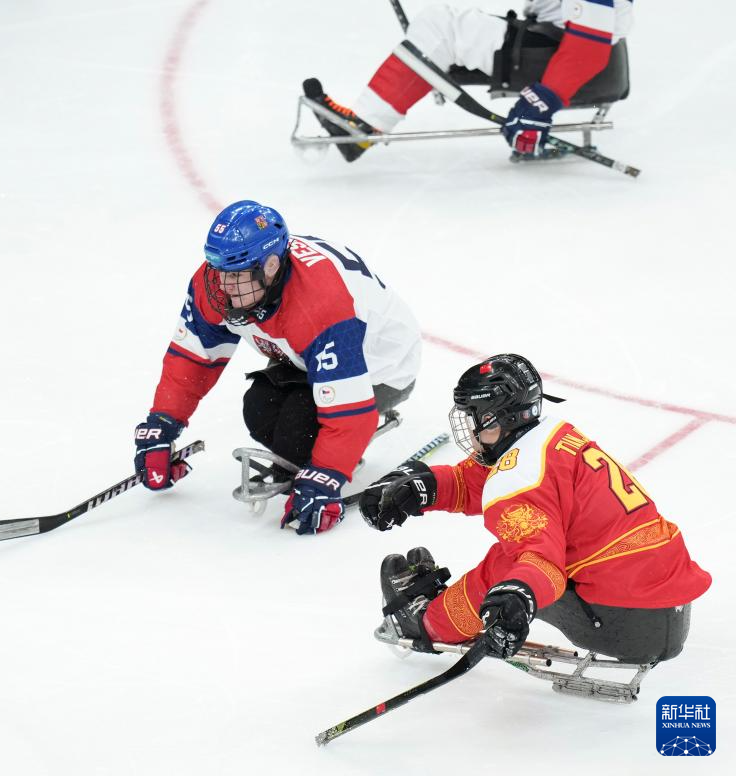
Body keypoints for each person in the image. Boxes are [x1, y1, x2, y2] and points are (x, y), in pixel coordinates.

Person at [359, 354, 711, 663]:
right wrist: (422, 487)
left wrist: (515, 598)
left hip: (623, 619)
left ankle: (429, 623)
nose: (470, 430)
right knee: (531, 555)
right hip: (665, 600)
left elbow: (543, 563)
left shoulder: (521, 476)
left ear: (495, 420)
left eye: (473, 419)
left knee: (509, 563)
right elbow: (482, 478)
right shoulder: (551, 438)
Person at [133, 200, 421, 536]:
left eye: (236, 276)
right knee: (259, 408)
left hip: (382, 365)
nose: (223, 286)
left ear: (270, 266)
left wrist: (326, 475)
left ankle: (340, 454)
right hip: (304, 352)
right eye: (219, 271)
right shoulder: (219, 282)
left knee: (297, 430)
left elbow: (349, 411)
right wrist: (163, 423)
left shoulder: (321, 303)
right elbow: (194, 357)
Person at [305, 0, 634, 161]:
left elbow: (589, 49)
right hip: (557, 48)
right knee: (441, 29)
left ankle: (363, 126)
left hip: (571, 65)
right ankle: (366, 123)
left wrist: (541, 102)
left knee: (440, 27)